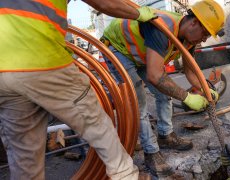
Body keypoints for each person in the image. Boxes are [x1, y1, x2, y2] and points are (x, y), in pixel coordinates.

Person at [0, 0, 157, 179]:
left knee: (24, 159)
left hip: (2, 73)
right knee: (96, 124)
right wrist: (139, 14)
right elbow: (106, 4)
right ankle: (126, 176)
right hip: (41, 60)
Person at [101, 0, 225, 176]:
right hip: (119, 48)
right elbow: (155, 75)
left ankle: (165, 135)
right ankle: (151, 153)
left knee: (163, 93)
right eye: (205, 33)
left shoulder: (189, 38)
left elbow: (190, 72)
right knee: (139, 100)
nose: (204, 39)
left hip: (141, 54)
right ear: (194, 22)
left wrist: (206, 90)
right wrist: (187, 98)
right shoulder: (162, 29)